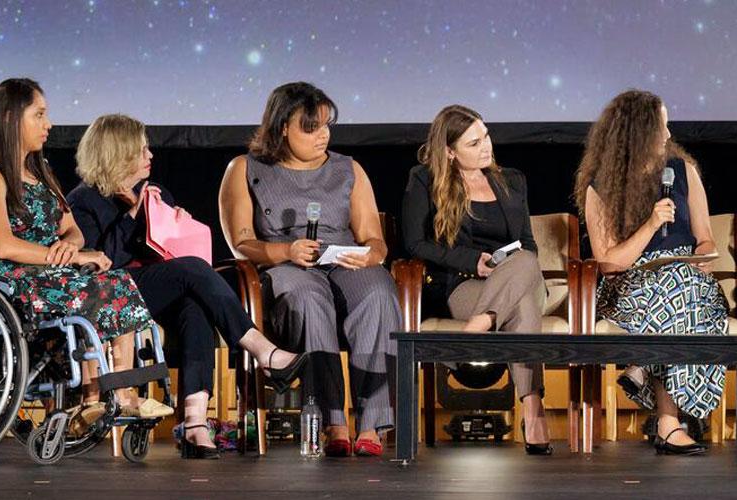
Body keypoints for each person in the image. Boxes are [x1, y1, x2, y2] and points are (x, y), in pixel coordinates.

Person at [68, 114, 310, 459]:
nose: (150, 155)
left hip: (157, 289)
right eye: (142, 150)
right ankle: (261, 349)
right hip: (114, 293)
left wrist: (176, 223)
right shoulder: (84, 200)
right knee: (193, 270)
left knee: (194, 305)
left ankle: (195, 422)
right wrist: (133, 217)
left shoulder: (155, 193)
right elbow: (101, 262)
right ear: (118, 153)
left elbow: (169, 249)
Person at [0, 78, 172, 423]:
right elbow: (3, 244)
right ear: (10, 118)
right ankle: (91, 397)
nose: (49, 124)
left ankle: (121, 392)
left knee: (117, 282)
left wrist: (70, 245)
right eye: (39, 115)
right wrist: (71, 256)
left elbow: (72, 229)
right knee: (95, 291)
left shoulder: (41, 175)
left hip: (51, 272)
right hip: (12, 278)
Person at [218, 82, 402, 458]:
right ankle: (332, 422)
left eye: (326, 125)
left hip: (342, 261)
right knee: (308, 297)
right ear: (283, 126)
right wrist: (285, 250)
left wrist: (371, 256)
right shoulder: (245, 168)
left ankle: (371, 424)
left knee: (378, 291)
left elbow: (374, 238)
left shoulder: (348, 169)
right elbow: (241, 242)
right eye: (311, 127)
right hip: (286, 265)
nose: (323, 135)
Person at [574, 89, 727, 456]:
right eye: (662, 126)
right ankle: (669, 421)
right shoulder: (600, 186)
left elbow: (705, 238)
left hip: (688, 281)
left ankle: (652, 384)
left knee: (680, 285)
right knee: (676, 292)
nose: (669, 135)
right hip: (632, 283)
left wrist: (703, 256)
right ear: (638, 132)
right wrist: (651, 224)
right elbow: (608, 262)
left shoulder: (683, 171)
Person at [400, 105, 553, 455]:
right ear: (450, 152)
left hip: (516, 276)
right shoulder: (424, 179)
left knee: (525, 260)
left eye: (486, 136)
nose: (486, 147)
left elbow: (528, 244)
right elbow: (415, 243)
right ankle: (533, 407)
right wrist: (473, 261)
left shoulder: (512, 180)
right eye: (474, 143)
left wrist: (505, 265)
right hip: (464, 282)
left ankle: (477, 328)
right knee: (523, 305)